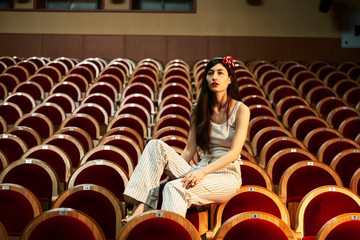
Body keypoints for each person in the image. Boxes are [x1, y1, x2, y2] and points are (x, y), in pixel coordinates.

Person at [122, 56, 250, 222]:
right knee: (155, 145)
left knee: (175, 188)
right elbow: (189, 149)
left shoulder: (241, 109)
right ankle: (143, 205)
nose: (215, 77)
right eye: (210, 73)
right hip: (200, 168)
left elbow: (234, 153)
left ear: (230, 79)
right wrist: (170, 175)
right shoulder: (199, 109)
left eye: (220, 73)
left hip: (225, 176)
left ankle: (169, 232)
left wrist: (201, 173)